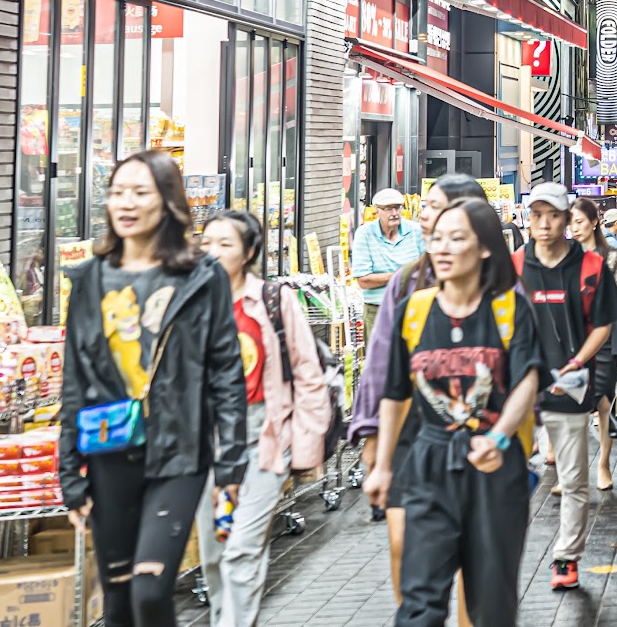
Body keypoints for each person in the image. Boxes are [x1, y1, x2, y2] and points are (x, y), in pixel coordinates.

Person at [59, 151, 248, 627]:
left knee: (149, 590)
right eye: (117, 192)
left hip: (179, 452)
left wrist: (232, 461)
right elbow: (74, 380)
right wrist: (69, 473)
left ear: (167, 202)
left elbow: (226, 370)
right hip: (108, 451)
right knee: (119, 604)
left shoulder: (201, 278)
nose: (126, 203)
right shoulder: (89, 280)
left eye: (140, 192)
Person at [366, 198, 542, 627]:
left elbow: (526, 381)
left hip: (493, 469)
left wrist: (499, 437)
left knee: (492, 604)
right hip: (428, 461)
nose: (442, 248)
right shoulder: (415, 310)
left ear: (484, 248)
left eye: (456, 238)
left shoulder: (508, 309)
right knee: (419, 601)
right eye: (437, 238)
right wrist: (384, 465)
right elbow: (393, 393)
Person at [192, 210, 331, 627]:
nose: (212, 252)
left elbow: (309, 375)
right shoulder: (190, 301)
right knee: (214, 555)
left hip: (262, 439)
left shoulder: (273, 300)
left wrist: (305, 449)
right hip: (205, 443)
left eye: (225, 244)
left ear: (249, 251)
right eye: (207, 243)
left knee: (242, 549)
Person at [351, 178, 468, 588]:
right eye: (425, 209)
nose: (420, 217)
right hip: (410, 426)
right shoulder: (407, 284)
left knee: (472, 559)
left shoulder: (498, 286)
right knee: (404, 545)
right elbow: (381, 363)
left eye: (432, 208)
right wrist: (371, 437)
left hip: (476, 436)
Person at [516, 183, 617, 593]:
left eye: (553, 215)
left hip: (570, 386)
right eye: (536, 215)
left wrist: (578, 363)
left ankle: (566, 557)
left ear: (566, 220)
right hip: (520, 389)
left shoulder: (591, 267)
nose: (543, 224)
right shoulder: (514, 265)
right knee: (506, 474)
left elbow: (604, 324)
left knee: (574, 478)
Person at [569, 196, 617, 491]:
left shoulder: (610, 255)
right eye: (571, 222)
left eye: (580, 222)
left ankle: (603, 463)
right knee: (572, 405)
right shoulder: (565, 257)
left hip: (607, 337)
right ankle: (571, 468)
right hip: (573, 337)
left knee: (602, 401)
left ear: (594, 222)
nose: (574, 228)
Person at [354, 188, 426, 338]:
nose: (394, 213)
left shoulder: (416, 231)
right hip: (377, 309)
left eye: (397, 207)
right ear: (376, 211)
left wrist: (383, 278)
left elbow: (426, 270)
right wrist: (404, 274)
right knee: (379, 359)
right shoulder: (364, 234)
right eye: (388, 209)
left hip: (411, 307)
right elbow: (364, 280)